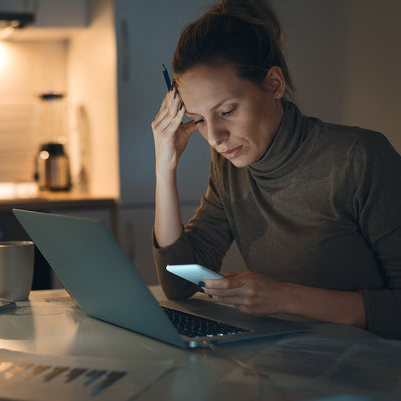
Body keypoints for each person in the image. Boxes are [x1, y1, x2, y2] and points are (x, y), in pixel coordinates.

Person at [151, 0, 401, 339]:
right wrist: (164, 170)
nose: (214, 138)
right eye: (197, 120)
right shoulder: (231, 168)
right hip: (289, 360)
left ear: (274, 84)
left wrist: (284, 297)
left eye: (226, 111)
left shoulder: (359, 158)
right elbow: (179, 283)